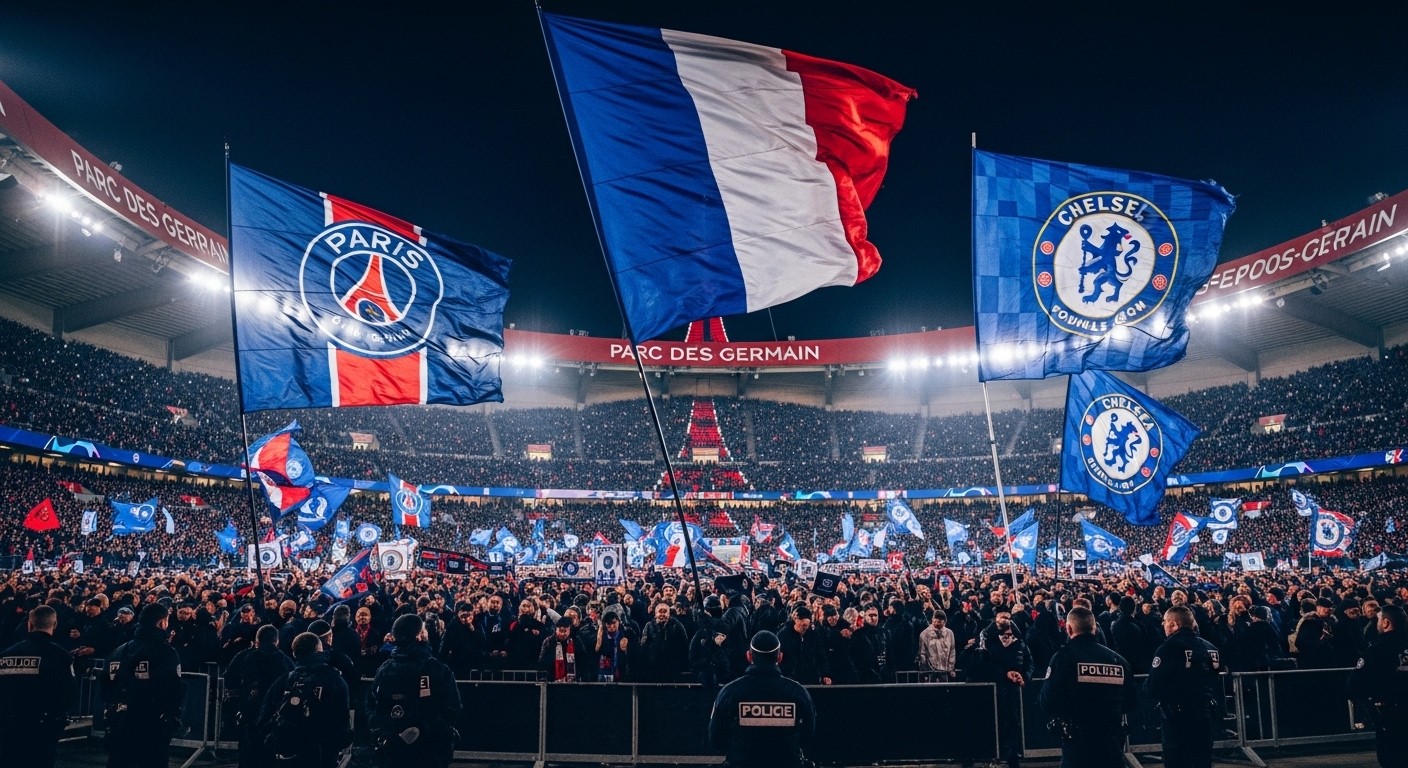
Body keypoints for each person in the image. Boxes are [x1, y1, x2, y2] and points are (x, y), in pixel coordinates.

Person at [1037, 606, 1135, 768]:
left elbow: (1048, 702)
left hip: (1077, 746)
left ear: (1068, 628)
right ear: (1094, 629)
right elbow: (1131, 702)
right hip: (1111, 742)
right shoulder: (1118, 660)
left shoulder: (1063, 658)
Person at [708, 630, 816, 768]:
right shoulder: (798, 692)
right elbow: (808, 735)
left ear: (749, 656)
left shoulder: (729, 692)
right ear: (780, 657)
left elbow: (716, 739)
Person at [367, 614, 462, 768]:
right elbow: (453, 708)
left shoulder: (384, 670)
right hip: (430, 752)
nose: (427, 632)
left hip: (393, 752)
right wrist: (424, 730)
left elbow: (372, 706)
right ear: (418, 636)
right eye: (424, 629)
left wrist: (389, 732)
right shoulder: (437, 670)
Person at [101, 603, 185, 768]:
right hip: (151, 724)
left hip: (119, 721)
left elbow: (105, 683)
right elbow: (174, 689)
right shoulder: (166, 652)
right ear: (162, 623)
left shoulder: (119, 651)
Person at [257, 632, 351, 768]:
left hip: (286, 752)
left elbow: (264, 715)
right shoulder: (335, 680)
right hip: (321, 753)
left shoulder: (284, 680)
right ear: (320, 651)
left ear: (294, 654)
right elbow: (342, 720)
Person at [1145, 605, 1224, 768]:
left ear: (1174, 624)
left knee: (1178, 760)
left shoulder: (1168, 648)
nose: (1162, 625)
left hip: (1177, 717)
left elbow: (1153, 686)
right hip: (1204, 714)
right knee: (1202, 760)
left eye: (1165, 621)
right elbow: (1215, 678)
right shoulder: (1211, 648)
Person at [0, 605, 79, 768]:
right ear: (54, 624)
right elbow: (70, 694)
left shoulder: (7, 654)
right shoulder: (60, 656)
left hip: (8, 725)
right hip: (43, 727)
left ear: (29, 625)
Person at [223, 624, 294, 768]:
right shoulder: (286, 661)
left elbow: (229, 680)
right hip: (275, 717)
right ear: (277, 641)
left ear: (257, 640)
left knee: (247, 756)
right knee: (269, 757)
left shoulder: (244, 656)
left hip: (249, 713)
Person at [1347, 604, 1408, 768]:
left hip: (1390, 715)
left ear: (1386, 623)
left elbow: (1355, 685)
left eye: (1379, 620)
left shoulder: (1377, 651)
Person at [979, 609, 1034, 768]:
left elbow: (1029, 663)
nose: (1007, 635)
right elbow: (986, 665)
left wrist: (1024, 677)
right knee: (998, 723)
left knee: (1014, 724)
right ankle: (998, 755)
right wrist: (1005, 674)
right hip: (996, 691)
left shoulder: (1020, 643)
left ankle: (1013, 757)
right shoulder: (991, 644)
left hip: (1014, 691)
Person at [917, 610, 956, 682]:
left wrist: (951, 668)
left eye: (940, 622)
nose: (937, 623)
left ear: (944, 622)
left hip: (945, 671)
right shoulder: (924, 634)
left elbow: (952, 651)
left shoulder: (949, 633)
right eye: (935, 621)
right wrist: (925, 671)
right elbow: (922, 653)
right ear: (932, 620)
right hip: (930, 671)